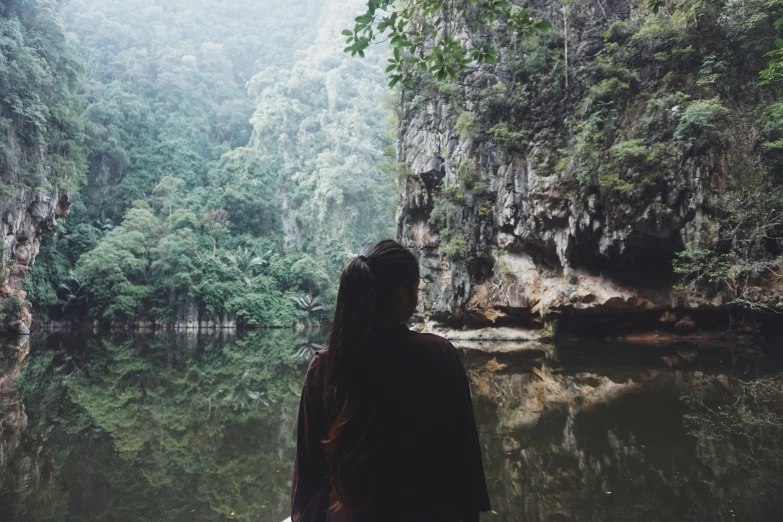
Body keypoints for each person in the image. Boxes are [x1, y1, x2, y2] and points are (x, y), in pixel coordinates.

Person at [290, 239, 491, 522]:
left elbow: (310, 473)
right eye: (416, 289)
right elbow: (462, 458)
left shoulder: (326, 365)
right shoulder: (438, 355)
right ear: (400, 296)